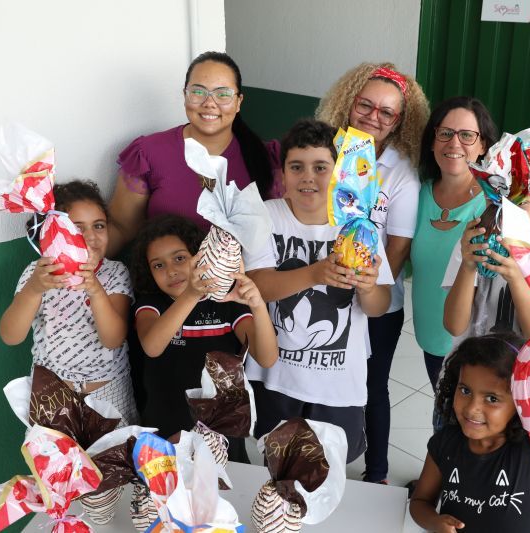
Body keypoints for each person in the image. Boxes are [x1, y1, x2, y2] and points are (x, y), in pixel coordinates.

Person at [244, 119, 393, 463]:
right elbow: (261, 286)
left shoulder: (357, 225)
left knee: (330, 466)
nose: (308, 176)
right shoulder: (267, 216)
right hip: (277, 377)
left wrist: (369, 288)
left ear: (339, 173)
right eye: (297, 167)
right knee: (278, 463)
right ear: (283, 173)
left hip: (337, 383)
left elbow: (379, 306)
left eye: (320, 167)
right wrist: (315, 273)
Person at [0, 180, 138, 525]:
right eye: (76, 228)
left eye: (99, 226)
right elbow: (10, 336)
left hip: (106, 395)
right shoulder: (36, 275)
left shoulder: (115, 273)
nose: (91, 237)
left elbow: (113, 338)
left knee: (115, 478)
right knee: (60, 487)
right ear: (51, 234)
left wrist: (95, 289)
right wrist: (33, 290)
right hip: (52, 401)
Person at [316, 61, 430, 484]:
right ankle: (310, 461)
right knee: (319, 379)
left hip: (376, 300)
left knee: (371, 386)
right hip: (317, 285)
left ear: (400, 120)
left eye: (387, 112)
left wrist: (367, 290)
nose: (374, 117)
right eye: (366, 105)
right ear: (349, 102)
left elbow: (398, 248)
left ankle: (377, 471)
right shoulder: (322, 150)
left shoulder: (401, 171)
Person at [106, 51, 281, 256]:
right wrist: (76, 264)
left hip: (243, 283)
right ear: (185, 95)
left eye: (223, 94)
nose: (209, 103)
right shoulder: (148, 153)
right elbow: (121, 229)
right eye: (198, 92)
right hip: (168, 282)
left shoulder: (267, 157)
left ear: (238, 101)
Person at [129, 214, 277, 441]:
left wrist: (257, 304)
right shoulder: (152, 304)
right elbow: (152, 346)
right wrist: (191, 294)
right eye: (158, 265)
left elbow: (267, 358)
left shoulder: (227, 302)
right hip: (165, 426)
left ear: (201, 257)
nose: (171, 270)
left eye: (179, 258)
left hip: (222, 430)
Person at [409, 333, 530, 532]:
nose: (472, 408)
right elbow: (419, 502)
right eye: (465, 391)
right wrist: (435, 522)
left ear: (519, 403)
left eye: (492, 399)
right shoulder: (444, 444)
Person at [443, 154, 530, 345]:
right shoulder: (474, 246)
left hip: (523, 373)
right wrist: (468, 266)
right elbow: (454, 326)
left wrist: (517, 277)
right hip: (471, 368)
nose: (506, 212)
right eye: (496, 200)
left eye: (521, 202)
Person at [411, 96, 498, 391]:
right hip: (430, 337)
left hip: (474, 346)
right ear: (433, 140)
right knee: (443, 420)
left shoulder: (492, 206)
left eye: (467, 135)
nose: (454, 143)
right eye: (445, 133)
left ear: (483, 145)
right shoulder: (417, 195)